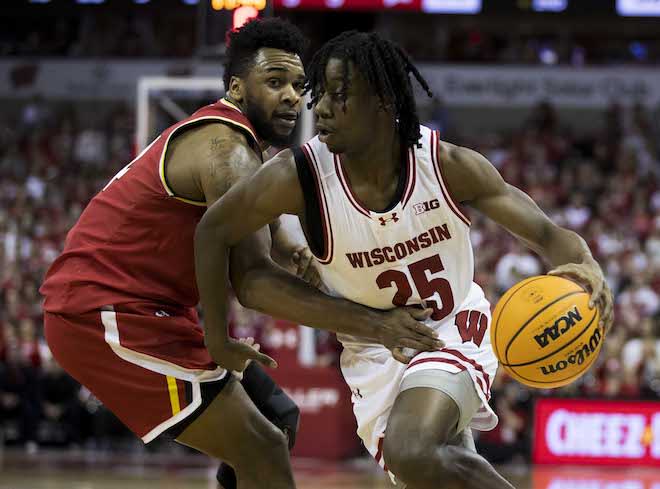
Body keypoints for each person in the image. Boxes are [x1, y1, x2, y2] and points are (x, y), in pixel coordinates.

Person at [196, 31, 615, 489]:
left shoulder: (445, 165)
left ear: (383, 102)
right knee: (434, 464)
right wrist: (217, 338)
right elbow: (215, 234)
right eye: (322, 96)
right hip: (372, 350)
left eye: (341, 96)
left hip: (450, 328)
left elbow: (546, 233)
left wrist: (584, 264)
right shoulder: (297, 177)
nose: (321, 109)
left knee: (413, 449)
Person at [39, 21, 441, 489]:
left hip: (153, 310)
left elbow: (258, 230)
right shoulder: (227, 151)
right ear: (235, 86)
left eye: (297, 85)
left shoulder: (240, 148)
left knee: (278, 419)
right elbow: (253, 283)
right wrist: (375, 325)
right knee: (262, 446)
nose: (292, 96)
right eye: (274, 83)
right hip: (104, 312)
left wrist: (291, 247)